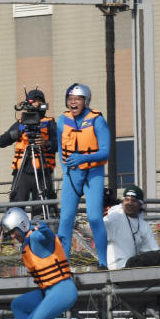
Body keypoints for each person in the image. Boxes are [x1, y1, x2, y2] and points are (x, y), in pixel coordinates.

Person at [0, 207, 77, 319]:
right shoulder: (27, 243)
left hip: (63, 289)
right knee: (18, 305)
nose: (12, 236)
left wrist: (47, 231)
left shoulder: (34, 237)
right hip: (48, 290)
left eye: (13, 232)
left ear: (22, 225)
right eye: (10, 233)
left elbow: (47, 239)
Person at [56, 82, 110, 268]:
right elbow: (59, 149)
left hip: (93, 172)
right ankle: (64, 265)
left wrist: (82, 158)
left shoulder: (97, 120)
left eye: (77, 99)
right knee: (65, 219)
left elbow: (105, 151)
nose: (73, 103)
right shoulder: (62, 121)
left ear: (85, 101)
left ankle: (103, 262)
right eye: (70, 99)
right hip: (72, 175)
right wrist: (66, 169)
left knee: (95, 217)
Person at [0, 89, 58, 214]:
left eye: (39, 101)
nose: (36, 104)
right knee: (15, 208)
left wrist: (46, 143)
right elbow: (1, 142)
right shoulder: (21, 124)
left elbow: (59, 145)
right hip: (23, 173)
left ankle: (41, 231)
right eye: (33, 101)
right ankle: (12, 231)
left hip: (42, 173)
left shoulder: (49, 123)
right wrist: (15, 134)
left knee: (42, 210)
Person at [103, 185, 160, 269]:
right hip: (117, 266)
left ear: (140, 204)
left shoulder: (143, 225)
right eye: (127, 200)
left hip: (132, 267)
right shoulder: (115, 216)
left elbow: (153, 250)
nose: (129, 203)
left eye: (134, 201)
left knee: (157, 257)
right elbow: (97, 230)